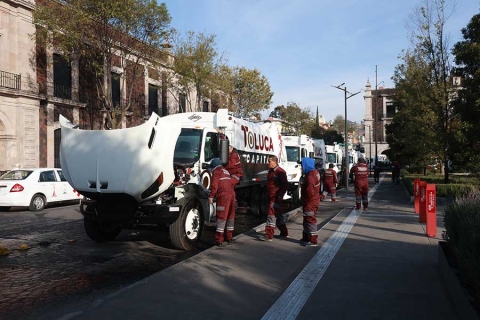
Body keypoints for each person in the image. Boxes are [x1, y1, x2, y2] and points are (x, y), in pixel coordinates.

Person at [258, 155, 289, 241]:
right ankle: (284, 233)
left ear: (275, 162)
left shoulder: (280, 172)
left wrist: (280, 195)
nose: (268, 163)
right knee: (278, 215)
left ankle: (269, 235)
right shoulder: (271, 171)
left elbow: (285, 185)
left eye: (269, 161)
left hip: (275, 197)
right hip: (271, 196)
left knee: (271, 215)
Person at [208, 158, 234, 247]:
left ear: (213, 166)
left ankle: (219, 240)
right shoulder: (226, 171)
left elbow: (214, 185)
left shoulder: (217, 171)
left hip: (223, 196)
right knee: (230, 216)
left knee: (221, 217)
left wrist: (211, 196)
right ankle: (229, 237)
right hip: (232, 195)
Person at [224, 144, 243, 243]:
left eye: (227, 150)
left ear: (231, 149)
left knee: (229, 186)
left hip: (236, 174)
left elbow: (230, 165)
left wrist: (221, 166)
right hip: (232, 174)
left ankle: (233, 201)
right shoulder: (232, 153)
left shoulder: (234, 155)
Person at [300, 157, 321, 247]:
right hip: (313, 200)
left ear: (306, 165)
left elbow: (309, 191)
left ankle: (313, 240)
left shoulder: (310, 176)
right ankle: (306, 238)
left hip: (310, 202)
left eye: (302, 165)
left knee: (310, 219)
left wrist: (306, 201)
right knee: (307, 219)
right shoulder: (314, 173)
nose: (301, 167)